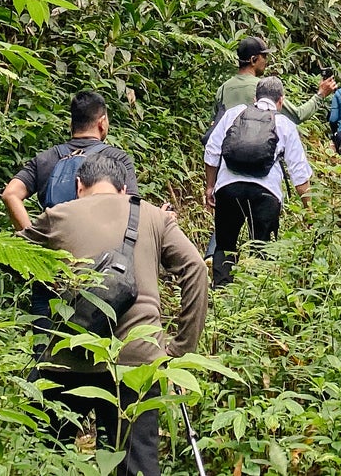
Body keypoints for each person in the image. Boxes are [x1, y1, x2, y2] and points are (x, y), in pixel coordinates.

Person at [24, 147, 208, 476]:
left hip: (70, 358)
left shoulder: (58, 216)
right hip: (137, 361)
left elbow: (12, 256)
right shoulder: (153, 215)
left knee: (46, 457)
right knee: (136, 465)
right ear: (124, 189)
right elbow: (196, 269)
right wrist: (180, 347)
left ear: (80, 185)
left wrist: (54, 279)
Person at [203, 76, 311, 287]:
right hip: (265, 194)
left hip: (228, 189)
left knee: (225, 244)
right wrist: (309, 210)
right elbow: (299, 173)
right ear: (281, 101)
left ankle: (222, 293)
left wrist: (210, 187)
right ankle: (256, 300)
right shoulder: (285, 124)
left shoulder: (233, 114)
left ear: (255, 97)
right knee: (261, 249)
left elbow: (212, 151)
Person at [1, 90, 139, 231]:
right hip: (99, 247)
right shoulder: (117, 158)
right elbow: (133, 209)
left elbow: (10, 194)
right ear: (102, 122)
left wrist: (31, 238)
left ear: (71, 124)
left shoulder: (46, 158)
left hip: (54, 246)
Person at [210, 35, 335, 129]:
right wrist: (320, 94)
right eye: (264, 57)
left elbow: (214, 124)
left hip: (227, 157)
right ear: (253, 60)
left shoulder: (223, 89)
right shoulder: (262, 88)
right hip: (257, 155)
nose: (266, 61)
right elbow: (298, 115)